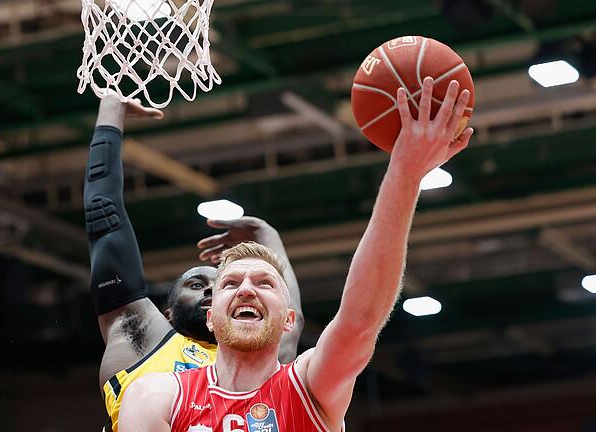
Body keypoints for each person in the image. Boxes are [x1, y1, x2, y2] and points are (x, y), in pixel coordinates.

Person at [118, 77, 474, 431]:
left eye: (264, 283)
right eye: (230, 282)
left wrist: (406, 172)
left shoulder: (308, 386)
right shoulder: (157, 394)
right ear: (211, 318)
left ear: (289, 320)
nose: (246, 289)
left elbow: (359, 321)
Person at [84, 93, 305, 431]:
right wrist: (111, 111)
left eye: (221, 286)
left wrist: (269, 236)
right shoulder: (141, 335)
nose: (211, 290)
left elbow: (288, 311)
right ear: (166, 312)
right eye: (196, 285)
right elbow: (104, 221)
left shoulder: (261, 352)